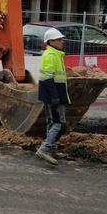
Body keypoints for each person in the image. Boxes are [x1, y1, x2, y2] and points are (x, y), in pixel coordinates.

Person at [35, 28, 70, 166]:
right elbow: (48, 79)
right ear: (51, 41)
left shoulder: (55, 54)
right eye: (59, 39)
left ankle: (51, 149)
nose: (62, 41)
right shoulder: (51, 55)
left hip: (53, 95)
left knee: (52, 122)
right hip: (53, 96)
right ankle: (44, 149)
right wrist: (55, 97)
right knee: (58, 123)